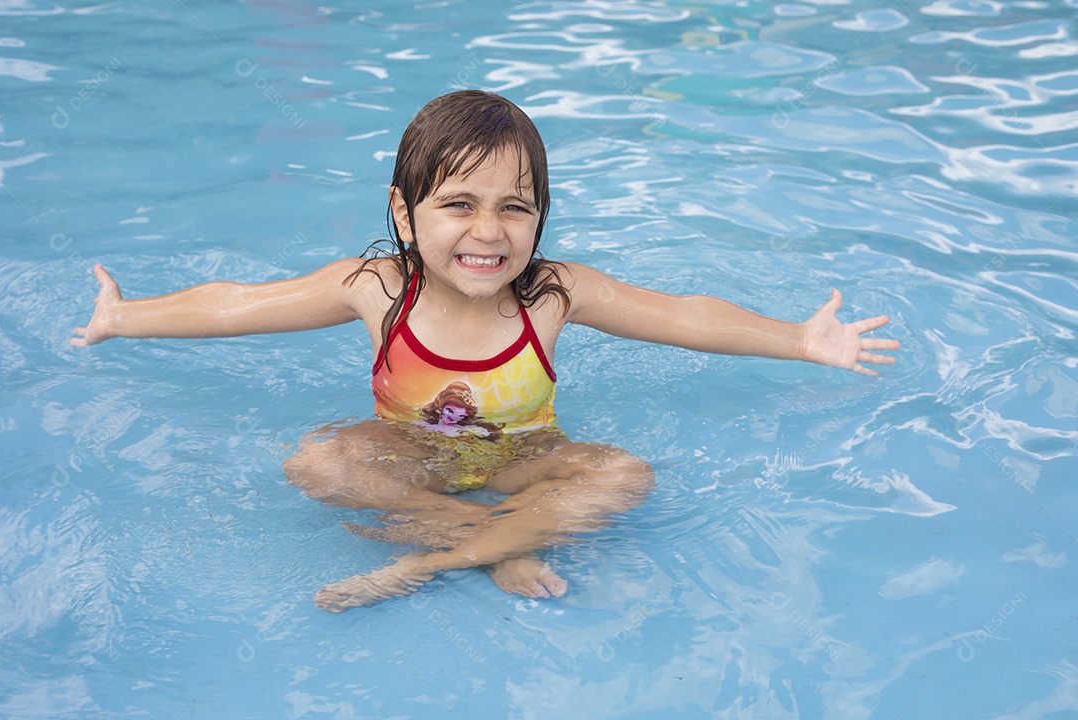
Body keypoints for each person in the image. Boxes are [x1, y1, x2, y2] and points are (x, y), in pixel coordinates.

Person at [70, 90, 900, 612]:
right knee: (320, 461)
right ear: (405, 213)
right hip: (410, 458)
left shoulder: (553, 296)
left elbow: (681, 315)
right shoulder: (376, 289)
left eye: (515, 207)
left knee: (623, 475)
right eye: (458, 204)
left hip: (524, 460)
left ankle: (440, 559)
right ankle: (501, 547)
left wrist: (798, 338)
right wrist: (128, 315)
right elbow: (240, 306)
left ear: (540, 217)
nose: (488, 231)